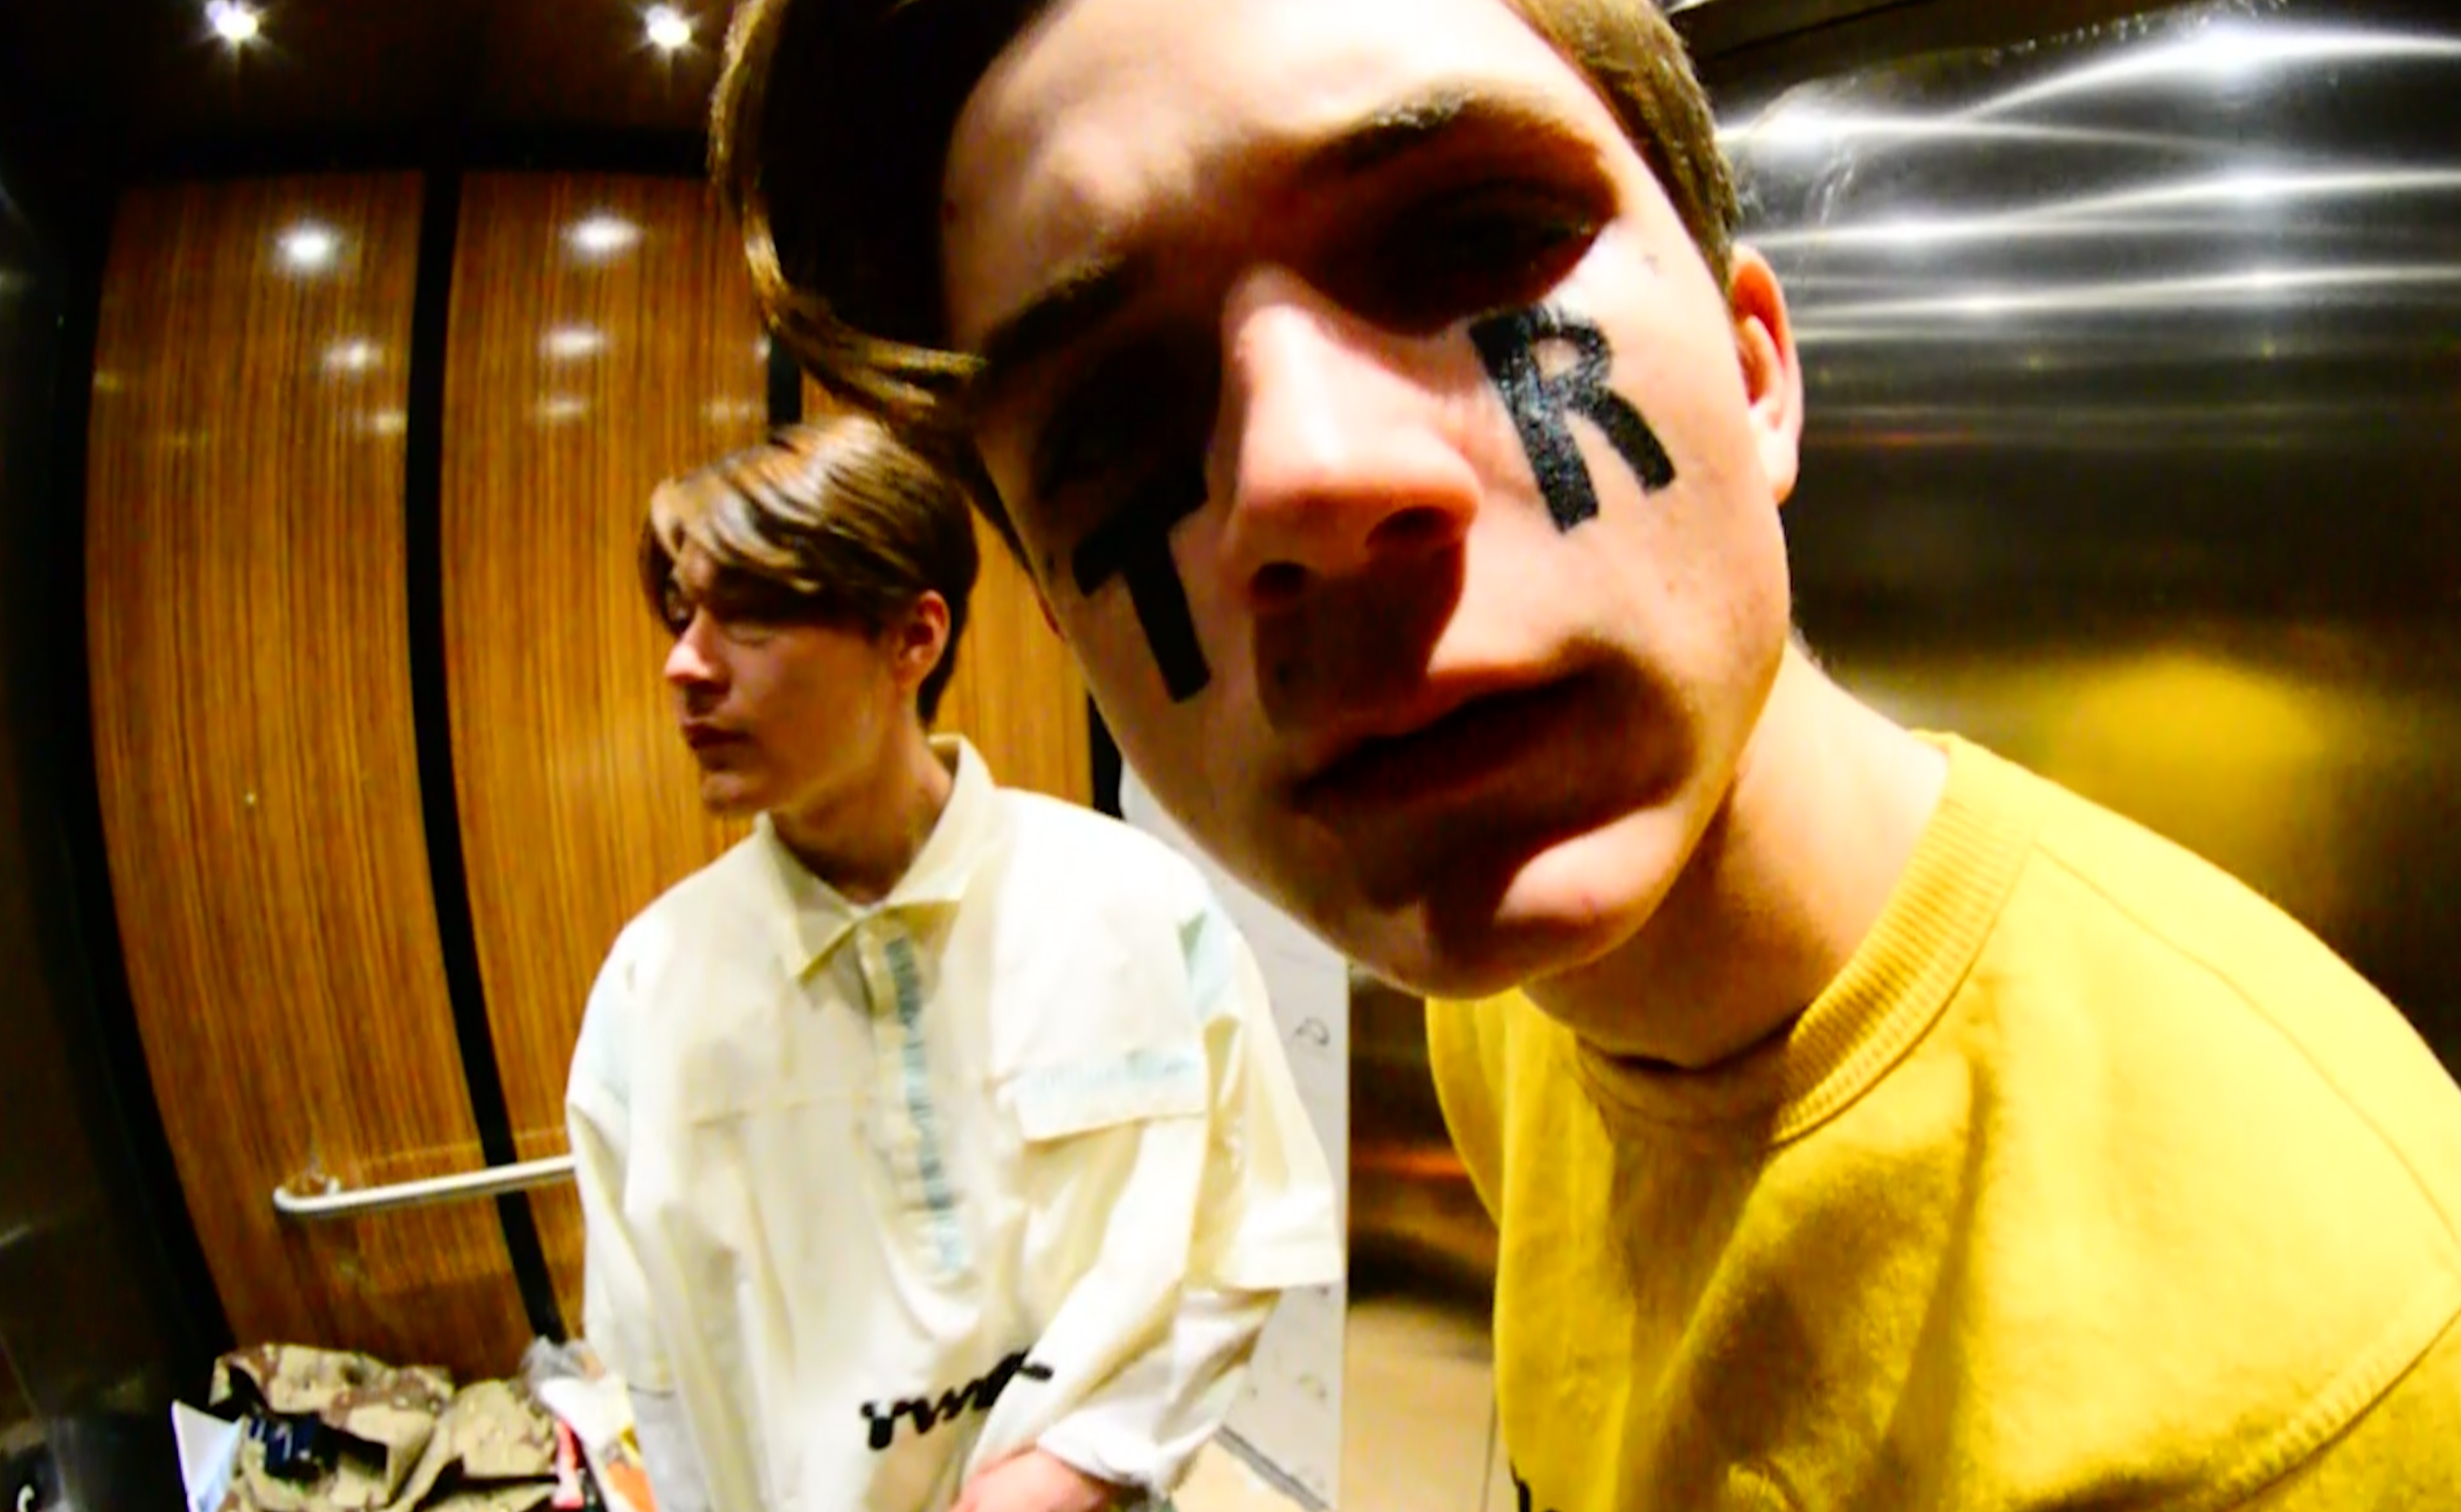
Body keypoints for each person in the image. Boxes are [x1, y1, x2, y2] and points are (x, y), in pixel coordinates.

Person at [703, 0, 2461, 1506]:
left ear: (1758, 374)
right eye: (1114, 419)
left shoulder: (2332, 1387)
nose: (1302, 484)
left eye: (1466, 242)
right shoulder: (1512, 1010)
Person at [563, 415, 1344, 1512]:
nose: (683, 664)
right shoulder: (653, 992)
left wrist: (1090, 1460)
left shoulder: (1135, 911)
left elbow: (1248, 1232)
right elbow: (657, 1379)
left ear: (911, 638)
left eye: (746, 617)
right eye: (682, 616)